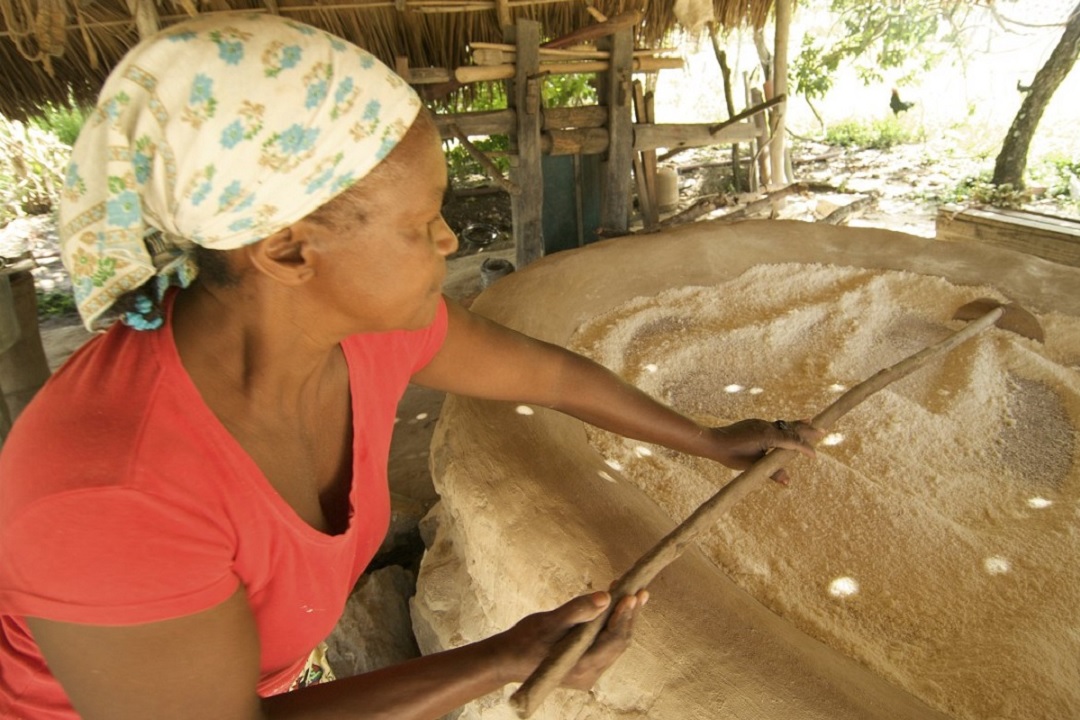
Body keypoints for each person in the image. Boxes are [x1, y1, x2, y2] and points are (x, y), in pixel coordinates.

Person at [0, 13, 819, 720]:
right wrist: (499, 660)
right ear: (287, 251)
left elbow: (548, 377)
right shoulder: (110, 494)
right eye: (421, 222)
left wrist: (704, 440)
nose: (448, 240)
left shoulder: (355, 330)